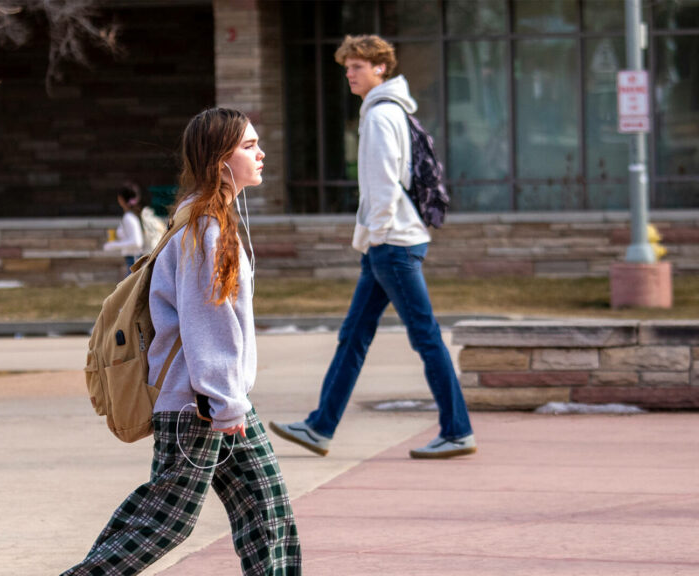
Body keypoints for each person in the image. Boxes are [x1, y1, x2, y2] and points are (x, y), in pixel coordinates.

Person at [63, 108, 301, 575]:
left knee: (267, 512)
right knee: (163, 521)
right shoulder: (205, 229)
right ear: (219, 160)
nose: (261, 153)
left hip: (218, 400)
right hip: (201, 405)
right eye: (249, 146)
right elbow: (206, 322)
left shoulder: (207, 220)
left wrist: (231, 400)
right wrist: (226, 402)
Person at [270, 35, 476, 460]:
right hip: (387, 245)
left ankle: (457, 431)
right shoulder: (385, 111)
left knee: (425, 337)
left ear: (381, 68)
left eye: (358, 66)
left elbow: (382, 186)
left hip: (393, 244)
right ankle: (319, 427)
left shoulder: (381, 116)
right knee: (354, 337)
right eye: (347, 67)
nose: (350, 73)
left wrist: (377, 236)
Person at [102, 183, 145, 276]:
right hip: (133, 260)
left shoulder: (129, 217)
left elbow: (137, 242)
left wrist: (114, 245)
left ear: (121, 199)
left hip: (134, 260)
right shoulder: (134, 215)